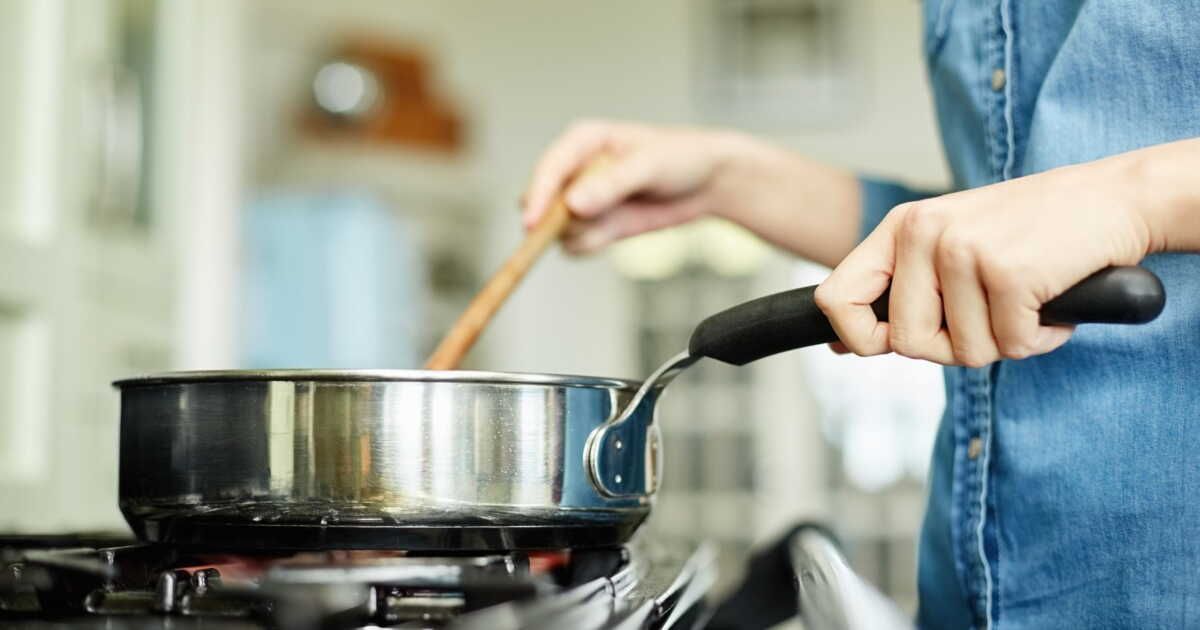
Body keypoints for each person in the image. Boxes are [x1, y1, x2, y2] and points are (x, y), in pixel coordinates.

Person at [521, 3, 1200, 629]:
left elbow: (1077, 214)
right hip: (973, 588)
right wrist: (724, 178)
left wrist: (1136, 200)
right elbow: (975, 243)